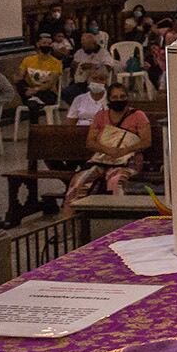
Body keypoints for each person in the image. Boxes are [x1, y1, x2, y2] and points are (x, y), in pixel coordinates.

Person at [61, 84, 152, 216]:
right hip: (102, 159)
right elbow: (90, 142)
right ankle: (69, 223)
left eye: (122, 96)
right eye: (115, 97)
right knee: (79, 181)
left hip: (128, 161)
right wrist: (108, 150)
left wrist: (124, 150)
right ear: (109, 99)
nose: (119, 100)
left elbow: (146, 141)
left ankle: (116, 221)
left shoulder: (138, 115)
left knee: (116, 181)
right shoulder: (101, 116)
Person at [17, 33, 64, 120]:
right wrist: (20, 81)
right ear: (38, 44)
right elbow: (20, 77)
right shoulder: (28, 60)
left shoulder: (56, 63)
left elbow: (50, 83)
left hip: (47, 93)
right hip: (29, 91)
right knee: (19, 83)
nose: (46, 45)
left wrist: (35, 90)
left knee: (33, 104)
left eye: (49, 44)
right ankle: (33, 101)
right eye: (44, 43)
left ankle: (34, 124)